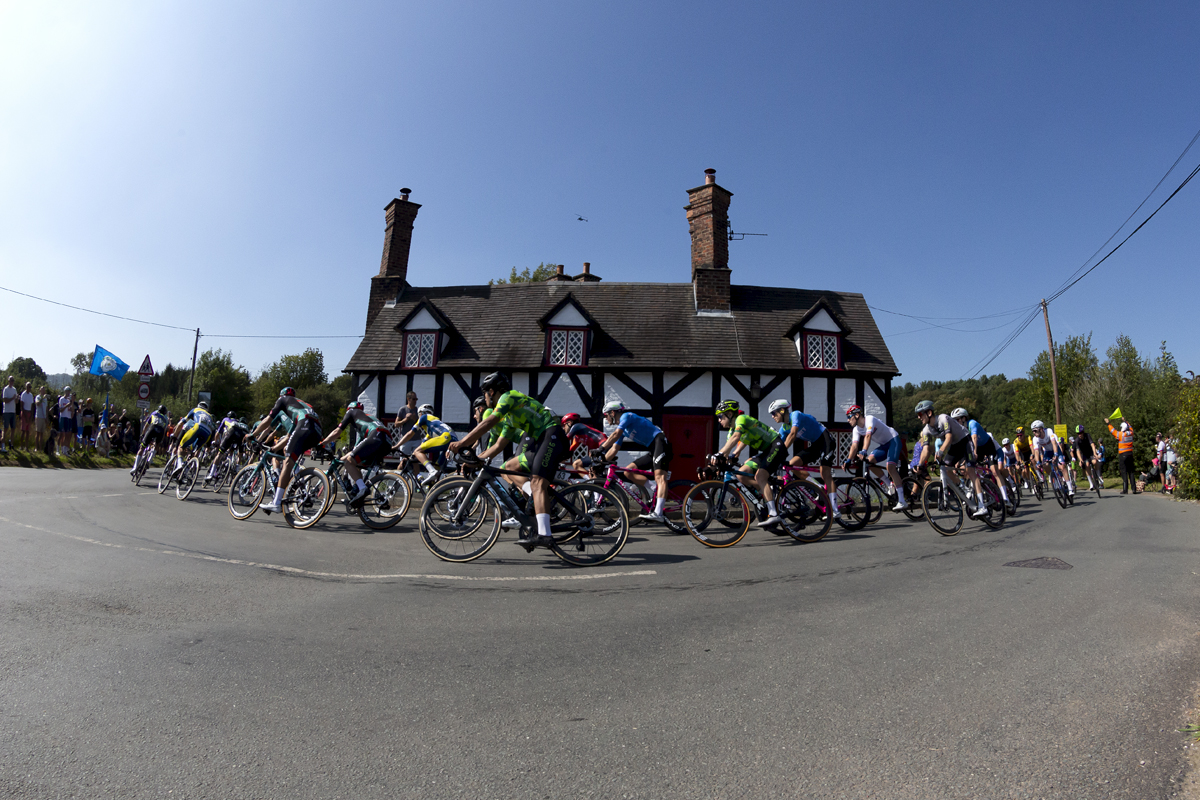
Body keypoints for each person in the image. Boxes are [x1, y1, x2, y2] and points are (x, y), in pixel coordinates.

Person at [449, 372, 568, 550]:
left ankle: (545, 534)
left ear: (491, 391)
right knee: (509, 467)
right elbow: (497, 446)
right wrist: (476, 460)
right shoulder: (510, 416)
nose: (485, 399)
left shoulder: (508, 397)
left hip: (551, 434)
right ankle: (534, 500)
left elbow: (489, 421)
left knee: (537, 482)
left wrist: (462, 443)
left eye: (485, 394)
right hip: (540, 439)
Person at [247, 388, 324, 515]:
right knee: (290, 454)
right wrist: (273, 448)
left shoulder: (282, 399)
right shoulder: (300, 405)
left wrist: (253, 435)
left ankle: (276, 503)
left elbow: (267, 421)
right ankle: (298, 482)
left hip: (305, 425)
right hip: (317, 431)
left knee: (288, 460)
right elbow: (290, 435)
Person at [596, 402, 674, 523]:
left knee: (660, 477)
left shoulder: (626, 416)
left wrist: (600, 448)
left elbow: (615, 434)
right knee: (629, 471)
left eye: (606, 415)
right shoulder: (624, 430)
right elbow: (614, 449)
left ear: (613, 413)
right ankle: (654, 489)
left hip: (661, 442)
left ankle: (658, 513)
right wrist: (602, 461)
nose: (605, 418)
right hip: (653, 449)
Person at [712, 400, 785, 527]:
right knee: (742, 473)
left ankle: (773, 513)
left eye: (720, 416)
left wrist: (719, 453)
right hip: (765, 452)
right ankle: (766, 492)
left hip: (776, 445)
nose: (719, 420)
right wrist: (714, 465)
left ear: (729, 414)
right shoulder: (732, 430)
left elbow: (736, 438)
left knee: (760, 476)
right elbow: (728, 451)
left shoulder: (741, 419)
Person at [914, 400, 989, 518]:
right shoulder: (926, 430)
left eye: (920, 414)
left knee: (970, 471)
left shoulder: (943, 418)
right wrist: (920, 464)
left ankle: (982, 506)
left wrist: (941, 451)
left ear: (929, 413)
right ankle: (964, 489)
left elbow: (948, 437)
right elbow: (926, 449)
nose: (919, 418)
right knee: (946, 469)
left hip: (965, 441)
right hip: (955, 446)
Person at [768, 398, 838, 518]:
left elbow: (793, 434)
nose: (772, 417)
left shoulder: (796, 415)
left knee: (825, 473)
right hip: (815, 445)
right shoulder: (784, 428)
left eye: (774, 413)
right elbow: (778, 445)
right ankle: (819, 488)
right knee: (792, 464)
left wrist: (780, 453)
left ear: (782, 411)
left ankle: (835, 510)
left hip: (826, 440)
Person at [319, 402, 393, 504]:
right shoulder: (367, 420)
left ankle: (362, 489)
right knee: (356, 462)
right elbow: (355, 450)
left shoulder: (351, 412)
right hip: (387, 441)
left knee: (349, 462)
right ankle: (357, 492)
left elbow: (337, 432)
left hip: (376, 435)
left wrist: (323, 443)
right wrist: (341, 459)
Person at [845, 405, 908, 512]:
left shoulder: (869, 419)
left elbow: (868, 436)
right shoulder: (856, 430)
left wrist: (864, 451)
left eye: (849, 416)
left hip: (893, 440)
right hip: (884, 444)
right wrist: (848, 460)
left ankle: (902, 500)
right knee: (869, 462)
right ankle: (889, 484)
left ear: (856, 415)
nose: (848, 420)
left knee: (890, 467)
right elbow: (854, 446)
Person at [392, 403, 460, 486]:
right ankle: (433, 493)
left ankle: (432, 471)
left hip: (446, 437)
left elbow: (410, 434)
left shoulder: (424, 417)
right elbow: (423, 445)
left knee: (418, 452)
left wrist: (396, 446)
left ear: (420, 413)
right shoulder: (432, 427)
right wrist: (411, 457)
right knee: (437, 470)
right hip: (454, 441)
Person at [1105, 417, 1136, 494]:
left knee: (1124, 471)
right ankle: (1134, 489)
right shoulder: (1131, 433)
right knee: (1131, 472)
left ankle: (1125, 489)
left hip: (1123, 455)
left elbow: (1112, 431)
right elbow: (1131, 428)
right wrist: (1126, 421)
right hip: (1130, 454)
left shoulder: (1120, 434)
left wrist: (1108, 423)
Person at [1, 376, 16, 453]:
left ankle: (11, 444)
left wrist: (16, 399)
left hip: (13, 411)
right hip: (6, 411)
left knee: (13, 428)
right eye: (10, 380)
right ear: (8, 381)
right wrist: (12, 398)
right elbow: (5, 400)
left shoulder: (14, 389)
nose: (12, 382)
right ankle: (3, 445)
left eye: (13, 380)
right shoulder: (5, 389)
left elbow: (16, 401)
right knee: (5, 428)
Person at [18, 381, 35, 449]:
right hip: (24, 413)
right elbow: (21, 406)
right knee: (23, 430)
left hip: (29, 413)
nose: (29, 388)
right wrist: (25, 415)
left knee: (28, 431)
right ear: (26, 387)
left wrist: (31, 415)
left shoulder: (31, 395)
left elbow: (32, 406)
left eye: (30, 387)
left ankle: (26, 446)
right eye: (28, 387)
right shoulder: (23, 394)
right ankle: (21, 446)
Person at [34, 386, 49, 451]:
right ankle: (36, 447)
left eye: (44, 390)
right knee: (37, 432)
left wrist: (47, 418)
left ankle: (40, 448)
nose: (43, 391)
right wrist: (42, 398)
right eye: (42, 390)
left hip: (44, 417)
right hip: (39, 416)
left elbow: (46, 409)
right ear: (40, 390)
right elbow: (37, 403)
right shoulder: (38, 397)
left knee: (42, 433)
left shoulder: (45, 400)